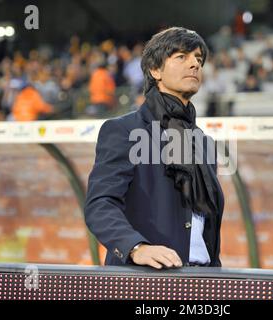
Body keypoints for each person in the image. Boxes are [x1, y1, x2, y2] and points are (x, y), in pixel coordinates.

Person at [84, 27, 224, 269]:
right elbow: (100, 204)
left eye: (198, 59)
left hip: (201, 281)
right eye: (182, 57)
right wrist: (136, 247)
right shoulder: (124, 130)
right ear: (155, 70)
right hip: (142, 280)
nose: (194, 64)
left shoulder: (204, 143)